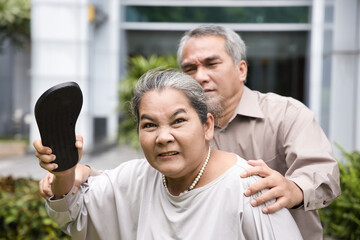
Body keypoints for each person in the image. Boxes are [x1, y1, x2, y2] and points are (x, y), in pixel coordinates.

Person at [38, 25, 340, 239]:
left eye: (212, 63)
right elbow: (136, 184)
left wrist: (294, 190)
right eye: (189, 68)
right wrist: (77, 170)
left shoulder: (285, 114)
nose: (201, 76)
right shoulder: (171, 135)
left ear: (241, 69)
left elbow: (323, 172)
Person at [34, 70, 302, 239]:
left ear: (207, 126)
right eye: (149, 125)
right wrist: (65, 171)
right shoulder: (134, 178)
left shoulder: (250, 189)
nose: (163, 137)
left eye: (178, 121)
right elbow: (73, 214)